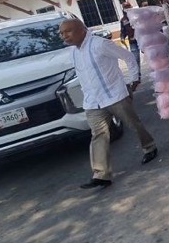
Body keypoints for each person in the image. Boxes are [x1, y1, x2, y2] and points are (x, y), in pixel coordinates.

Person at [59, 18, 159, 190]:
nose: (64, 36)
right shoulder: (73, 52)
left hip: (115, 95)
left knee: (134, 125)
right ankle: (101, 174)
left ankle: (149, 147)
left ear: (82, 30)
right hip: (93, 102)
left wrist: (134, 79)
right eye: (61, 33)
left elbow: (127, 57)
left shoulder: (100, 44)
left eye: (68, 31)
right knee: (98, 135)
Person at [119, 2, 141, 69]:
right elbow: (123, 31)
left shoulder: (138, 15)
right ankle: (137, 76)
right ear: (123, 9)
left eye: (129, 6)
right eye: (126, 7)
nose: (128, 8)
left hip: (143, 39)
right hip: (132, 42)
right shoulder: (123, 20)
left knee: (150, 56)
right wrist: (122, 38)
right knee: (135, 59)